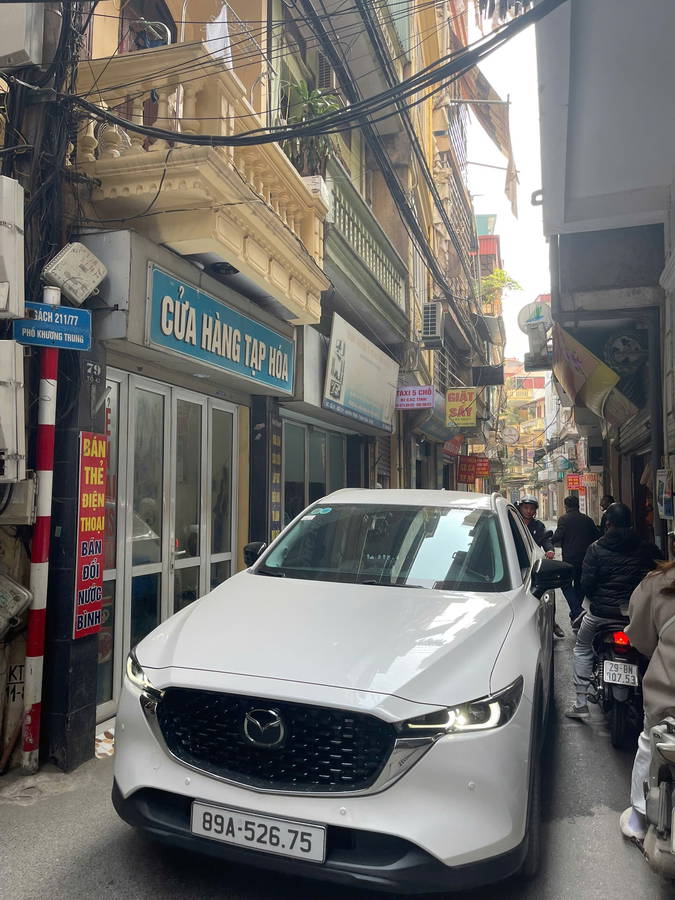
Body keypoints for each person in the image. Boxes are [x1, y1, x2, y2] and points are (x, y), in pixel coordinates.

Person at [565, 503, 662, 720]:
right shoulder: (645, 548)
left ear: (607, 524)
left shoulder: (596, 548)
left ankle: (581, 704)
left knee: (582, 647)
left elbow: (586, 585)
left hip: (601, 614)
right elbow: (660, 572)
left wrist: (598, 600)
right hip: (636, 615)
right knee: (652, 650)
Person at [619, 560, 675, 841]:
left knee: (649, 744)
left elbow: (640, 638)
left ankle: (639, 820)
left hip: (667, 701)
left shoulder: (659, 582)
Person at [517, 497, 565, 638]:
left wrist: (549, 550)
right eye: (526, 508)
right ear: (520, 508)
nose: (528, 511)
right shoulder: (514, 522)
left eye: (531, 508)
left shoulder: (538, 526)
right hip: (515, 565)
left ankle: (552, 623)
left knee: (548, 591)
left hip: (534, 564)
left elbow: (546, 540)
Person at [552, 495, 599, 625]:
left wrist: (549, 540)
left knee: (565, 583)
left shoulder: (563, 519)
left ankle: (576, 610)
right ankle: (576, 613)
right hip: (585, 558)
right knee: (580, 584)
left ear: (566, 506)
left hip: (569, 559)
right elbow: (597, 535)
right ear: (578, 505)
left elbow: (558, 536)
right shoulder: (587, 520)